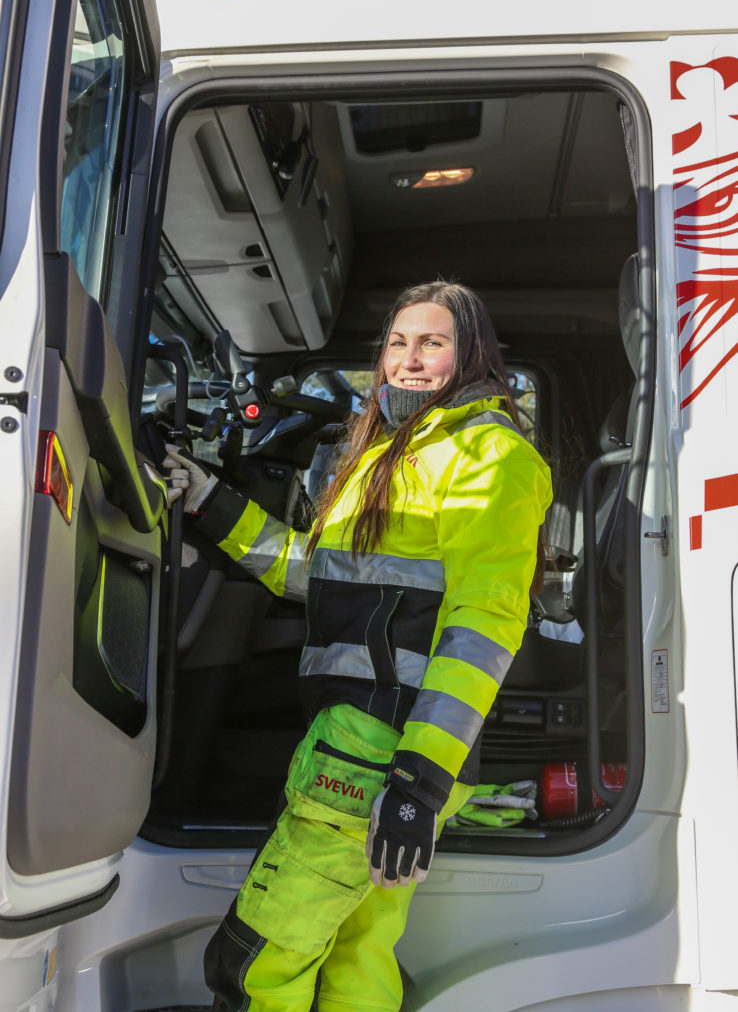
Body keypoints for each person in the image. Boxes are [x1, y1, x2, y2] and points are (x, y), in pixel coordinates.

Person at [163, 280, 552, 1012]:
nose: (410, 360)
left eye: (433, 343)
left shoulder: (489, 455)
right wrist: (214, 506)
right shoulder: (390, 454)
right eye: (399, 344)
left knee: (257, 963)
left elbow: (484, 621)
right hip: (376, 740)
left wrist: (418, 781)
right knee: (357, 955)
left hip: (379, 745)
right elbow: (324, 575)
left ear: (471, 357)